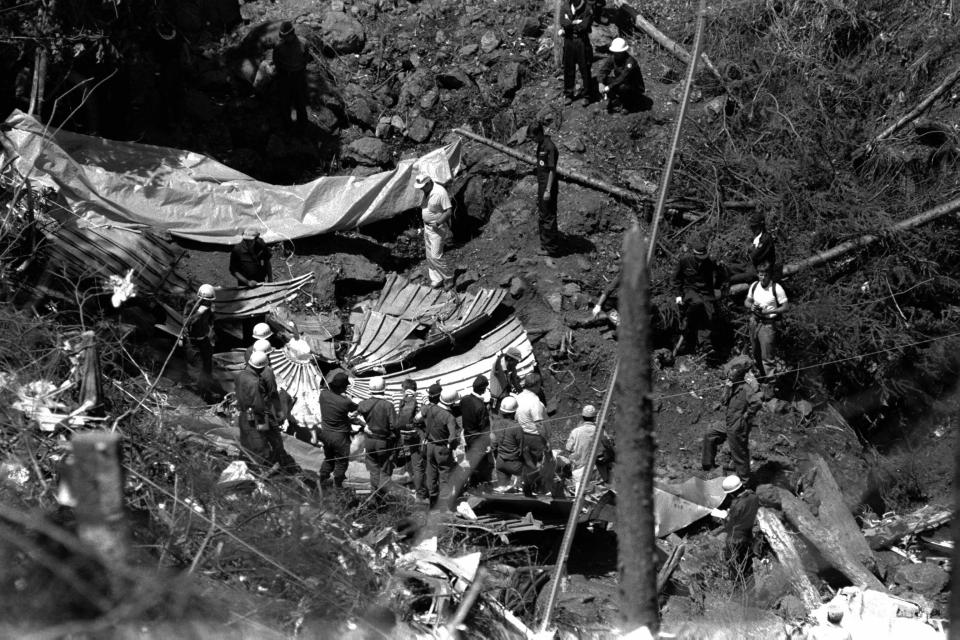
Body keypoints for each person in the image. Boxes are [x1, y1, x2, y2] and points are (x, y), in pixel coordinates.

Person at [235, 351, 299, 473]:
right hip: (256, 416)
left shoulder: (240, 375)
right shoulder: (255, 382)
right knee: (263, 445)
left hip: (244, 414)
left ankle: (246, 465)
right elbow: (258, 406)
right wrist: (265, 425)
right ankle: (263, 471)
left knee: (247, 443)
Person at [702, 356, 761, 481]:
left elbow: (757, 403)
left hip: (739, 425)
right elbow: (723, 401)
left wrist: (747, 416)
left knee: (739, 453)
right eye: (730, 375)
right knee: (710, 433)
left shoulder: (746, 389)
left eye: (733, 376)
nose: (730, 377)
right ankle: (708, 465)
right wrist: (727, 388)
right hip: (728, 422)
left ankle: (745, 481)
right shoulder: (732, 386)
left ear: (740, 377)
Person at [673, 235, 728, 356]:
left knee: (710, 313)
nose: (701, 260)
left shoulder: (710, 262)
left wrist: (717, 287)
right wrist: (678, 295)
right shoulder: (684, 260)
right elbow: (677, 279)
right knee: (698, 303)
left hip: (706, 292)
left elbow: (721, 273)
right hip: (690, 290)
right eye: (699, 257)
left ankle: (705, 344)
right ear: (693, 253)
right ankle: (686, 321)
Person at [744, 261, 789, 381]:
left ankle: (770, 385)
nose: (762, 278)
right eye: (760, 275)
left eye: (765, 275)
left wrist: (769, 312)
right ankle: (760, 378)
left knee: (767, 357)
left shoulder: (776, 288)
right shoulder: (754, 286)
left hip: (768, 324)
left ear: (770, 275)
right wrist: (751, 306)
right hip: (754, 321)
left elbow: (785, 307)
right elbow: (747, 301)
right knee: (755, 352)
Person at [358, 376, 398, 501]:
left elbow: (350, 416)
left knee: (374, 471)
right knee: (385, 471)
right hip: (383, 441)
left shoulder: (363, 404)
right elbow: (394, 426)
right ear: (384, 388)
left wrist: (364, 426)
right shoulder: (388, 405)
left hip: (369, 441)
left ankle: (374, 498)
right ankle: (384, 499)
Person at [230, 228, 273, 343]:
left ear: (256, 238)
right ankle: (247, 340)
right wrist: (247, 282)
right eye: (246, 240)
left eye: (251, 241)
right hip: (245, 287)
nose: (248, 243)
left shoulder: (261, 245)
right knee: (247, 313)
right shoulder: (238, 249)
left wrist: (270, 278)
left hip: (260, 284)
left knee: (260, 310)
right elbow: (233, 270)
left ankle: (261, 336)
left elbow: (267, 261)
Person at [318, 371, 360, 488]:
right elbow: (358, 408)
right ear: (341, 387)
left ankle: (321, 481)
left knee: (329, 459)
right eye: (345, 386)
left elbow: (327, 390)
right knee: (341, 462)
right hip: (340, 437)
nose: (346, 388)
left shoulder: (323, 395)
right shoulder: (345, 402)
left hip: (326, 434)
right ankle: (338, 486)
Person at [414, 174, 455, 290]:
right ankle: (436, 279)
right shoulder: (427, 191)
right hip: (427, 227)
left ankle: (448, 277)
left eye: (422, 186)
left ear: (428, 183)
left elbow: (448, 211)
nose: (421, 189)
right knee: (429, 256)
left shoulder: (440, 192)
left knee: (436, 256)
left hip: (437, 228)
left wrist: (437, 222)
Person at [421, 385, 460, 509]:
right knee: (444, 476)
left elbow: (416, 420)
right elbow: (452, 437)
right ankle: (444, 505)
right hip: (442, 449)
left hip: (429, 446)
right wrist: (452, 446)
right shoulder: (449, 417)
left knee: (431, 474)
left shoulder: (427, 409)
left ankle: (432, 502)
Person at [183, 283, 223, 402]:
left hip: (204, 340)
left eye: (209, 301)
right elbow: (186, 323)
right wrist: (198, 313)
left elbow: (211, 321)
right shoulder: (191, 305)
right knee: (197, 368)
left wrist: (210, 334)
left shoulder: (210, 306)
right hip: (193, 342)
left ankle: (206, 390)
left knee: (207, 366)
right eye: (206, 301)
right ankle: (196, 395)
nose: (208, 303)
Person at [516, 372, 553, 496]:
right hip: (534, 437)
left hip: (521, 435)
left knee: (527, 463)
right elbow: (538, 424)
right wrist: (546, 440)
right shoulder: (534, 401)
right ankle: (542, 489)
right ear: (536, 384)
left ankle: (527, 486)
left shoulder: (518, 397)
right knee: (542, 463)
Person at [719, 474, 759, 587]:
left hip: (735, 538)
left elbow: (730, 524)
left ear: (731, 493)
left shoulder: (736, 505)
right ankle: (752, 587)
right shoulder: (754, 496)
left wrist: (725, 517)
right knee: (747, 564)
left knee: (734, 565)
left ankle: (739, 589)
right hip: (749, 537)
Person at [530, 123, 561, 256]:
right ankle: (545, 244)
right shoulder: (541, 144)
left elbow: (552, 171)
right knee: (543, 214)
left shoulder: (550, 147)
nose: (532, 140)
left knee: (548, 216)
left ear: (539, 133)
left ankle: (551, 249)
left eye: (533, 137)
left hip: (549, 186)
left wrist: (548, 190)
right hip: (542, 184)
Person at [272, 21, 308, 131]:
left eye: (287, 36)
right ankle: (288, 128)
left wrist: (299, 71)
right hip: (285, 76)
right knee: (285, 103)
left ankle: (303, 128)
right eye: (283, 36)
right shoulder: (279, 46)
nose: (285, 39)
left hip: (299, 76)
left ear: (292, 34)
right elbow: (276, 61)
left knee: (300, 103)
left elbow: (306, 58)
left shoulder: (303, 43)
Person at [564, 404, 614, 484]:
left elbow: (568, 448)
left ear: (582, 417)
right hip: (598, 474)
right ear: (594, 418)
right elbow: (608, 446)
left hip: (580, 474)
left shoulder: (575, 432)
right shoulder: (601, 431)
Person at [559, 0, 595, 106]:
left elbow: (584, 26)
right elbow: (562, 21)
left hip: (582, 41)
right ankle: (569, 94)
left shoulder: (587, 8)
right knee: (568, 67)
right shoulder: (565, 6)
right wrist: (574, 22)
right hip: (569, 41)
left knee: (585, 68)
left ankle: (587, 95)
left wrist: (569, 23)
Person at [396, 379, 428, 500]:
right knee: (419, 465)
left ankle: (413, 486)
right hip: (417, 435)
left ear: (404, 389)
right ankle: (420, 493)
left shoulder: (398, 398)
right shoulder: (421, 398)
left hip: (403, 435)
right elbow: (428, 409)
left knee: (410, 459)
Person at [459, 375, 492, 487]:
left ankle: (472, 483)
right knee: (481, 464)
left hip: (467, 436)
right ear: (482, 389)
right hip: (477, 439)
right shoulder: (481, 407)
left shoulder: (464, 400)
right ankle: (481, 485)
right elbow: (484, 427)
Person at [598, 38, 645, 113]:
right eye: (615, 52)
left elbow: (623, 77)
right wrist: (601, 82)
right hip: (620, 82)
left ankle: (628, 105)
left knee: (623, 87)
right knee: (605, 80)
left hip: (633, 87)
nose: (616, 54)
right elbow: (604, 70)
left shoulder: (630, 62)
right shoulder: (613, 58)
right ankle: (614, 99)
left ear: (623, 51)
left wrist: (609, 87)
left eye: (618, 52)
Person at [730, 212, 777, 285]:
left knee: (732, 279)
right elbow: (746, 255)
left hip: (760, 270)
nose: (752, 229)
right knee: (729, 268)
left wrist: (749, 251)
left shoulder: (766, 239)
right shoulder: (755, 237)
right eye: (751, 226)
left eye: (754, 227)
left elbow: (754, 255)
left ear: (760, 226)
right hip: (750, 265)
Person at [491, 396, 525, 492]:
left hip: (500, 462)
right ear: (514, 412)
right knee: (521, 489)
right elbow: (522, 448)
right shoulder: (516, 427)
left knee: (503, 490)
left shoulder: (495, 424)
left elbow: (493, 445)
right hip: (515, 464)